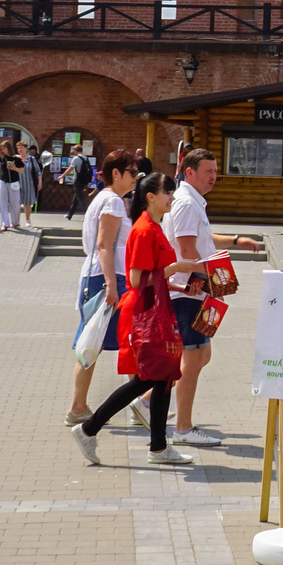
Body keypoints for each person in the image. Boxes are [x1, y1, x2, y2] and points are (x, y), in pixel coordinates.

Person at [75, 169, 198, 467]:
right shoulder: (144, 230)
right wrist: (179, 266)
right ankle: (89, 428)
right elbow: (136, 277)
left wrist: (184, 285)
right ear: (151, 197)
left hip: (156, 307)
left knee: (163, 377)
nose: (171, 197)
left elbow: (156, 278)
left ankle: (158, 448)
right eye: (167, 192)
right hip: (145, 311)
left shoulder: (154, 228)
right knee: (149, 377)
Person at [164, 150, 265, 448]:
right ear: (188, 171)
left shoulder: (194, 202)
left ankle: (145, 403)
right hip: (188, 291)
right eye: (207, 170)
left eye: (215, 170)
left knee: (201, 355)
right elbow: (186, 250)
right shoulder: (186, 203)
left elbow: (202, 240)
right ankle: (182, 428)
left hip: (196, 289)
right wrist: (206, 280)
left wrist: (235, 241)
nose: (213, 176)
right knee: (193, 358)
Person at [66, 149, 140, 426]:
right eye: (132, 173)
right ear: (116, 174)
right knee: (128, 341)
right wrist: (112, 284)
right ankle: (141, 403)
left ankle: (79, 406)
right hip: (107, 277)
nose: (135, 178)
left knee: (92, 344)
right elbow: (103, 246)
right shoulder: (112, 202)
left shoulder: (106, 199)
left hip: (96, 276)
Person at [0, 140, 23, 233]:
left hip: (14, 182)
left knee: (15, 203)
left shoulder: (17, 159)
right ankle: (4, 223)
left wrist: (14, 168)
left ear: (8, 148)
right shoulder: (1, 159)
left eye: (4, 149)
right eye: (1, 149)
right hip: (3, 181)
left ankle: (15, 222)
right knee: (3, 203)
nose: (3, 151)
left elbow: (22, 170)